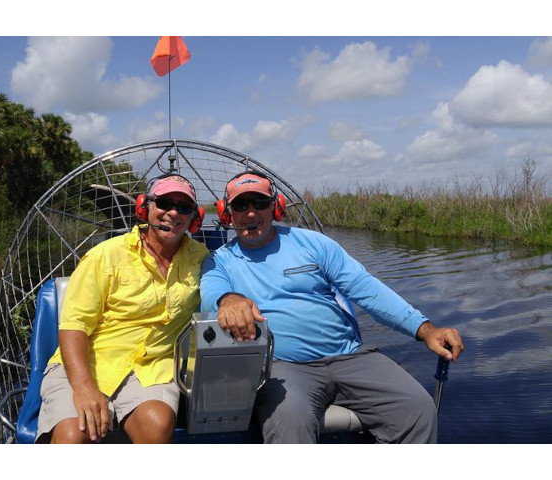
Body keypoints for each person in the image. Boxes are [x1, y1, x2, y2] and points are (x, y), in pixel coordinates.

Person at [200, 171, 465, 443]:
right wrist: (228, 300)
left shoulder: (314, 243)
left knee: (418, 409)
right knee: (290, 421)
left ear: (275, 207)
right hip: (282, 368)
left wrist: (425, 329)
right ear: (227, 213)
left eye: (260, 203)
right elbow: (210, 295)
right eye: (241, 206)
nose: (251, 213)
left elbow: (368, 290)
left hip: (350, 357)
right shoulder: (219, 261)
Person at [36, 174, 208, 444]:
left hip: (153, 367)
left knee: (157, 424)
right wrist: (83, 388)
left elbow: (226, 283)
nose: (172, 213)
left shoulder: (201, 258)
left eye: (183, 207)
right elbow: (74, 325)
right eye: (164, 203)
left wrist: (233, 299)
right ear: (145, 207)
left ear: (193, 218)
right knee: (73, 435)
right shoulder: (105, 255)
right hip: (89, 362)